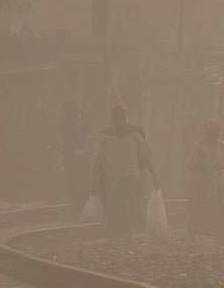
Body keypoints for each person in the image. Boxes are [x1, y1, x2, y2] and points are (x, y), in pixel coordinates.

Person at [91, 106, 159, 242]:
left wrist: (154, 174)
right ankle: (115, 233)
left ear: (124, 118)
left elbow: (144, 156)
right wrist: (93, 178)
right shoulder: (105, 136)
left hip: (129, 176)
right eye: (116, 118)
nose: (118, 120)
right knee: (113, 206)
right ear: (112, 120)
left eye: (120, 117)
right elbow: (98, 159)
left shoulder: (135, 134)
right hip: (111, 177)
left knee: (124, 205)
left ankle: (124, 233)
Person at [187, 119, 224, 243]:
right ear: (206, 134)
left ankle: (217, 232)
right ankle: (194, 232)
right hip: (200, 183)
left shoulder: (221, 146)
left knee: (218, 208)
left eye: (216, 133)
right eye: (212, 133)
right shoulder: (198, 146)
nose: (215, 136)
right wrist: (210, 165)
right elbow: (191, 164)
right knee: (197, 207)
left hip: (217, 183)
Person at [60, 101, 93, 213]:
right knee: (74, 184)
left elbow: (89, 139)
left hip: (81, 159)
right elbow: (63, 140)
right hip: (73, 159)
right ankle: (77, 206)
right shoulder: (65, 123)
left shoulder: (83, 122)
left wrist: (78, 141)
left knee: (79, 183)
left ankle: (79, 206)